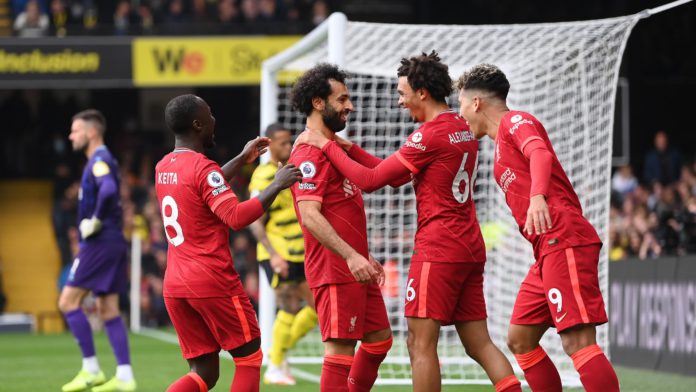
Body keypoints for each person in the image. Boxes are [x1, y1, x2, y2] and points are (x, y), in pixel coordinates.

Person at [295, 52, 521, 392]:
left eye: (403, 93)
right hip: (470, 246)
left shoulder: (426, 136)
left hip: (438, 249)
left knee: (419, 344)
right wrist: (346, 148)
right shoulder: (462, 127)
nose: (400, 101)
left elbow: (373, 181)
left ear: (422, 93)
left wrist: (328, 146)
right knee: (479, 344)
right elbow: (395, 176)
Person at [456, 64, 619, 392]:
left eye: (459, 104)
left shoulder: (516, 121)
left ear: (476, 103)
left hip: (564, 238)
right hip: (546, 250)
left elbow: (540, 154)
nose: (460, 114)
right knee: (520, 339)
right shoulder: (499, 145)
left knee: (577, 341)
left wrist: (538, 197)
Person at [155, 94, 301, 392]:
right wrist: (276, 184)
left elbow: (201, 188)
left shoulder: (164, 166)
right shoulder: (203, 168)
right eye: (209, 113)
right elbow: (235, 217)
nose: (214, 119)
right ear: (198, 124)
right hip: (211, 280)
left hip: (175, 283)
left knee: (204, 371)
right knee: (249, 357)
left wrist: (241, 158)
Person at [288, 63, 393, 391]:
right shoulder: (309, 153)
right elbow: (310, 215)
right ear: (318, 103)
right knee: (339, 351)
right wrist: (350, 256)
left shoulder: (334, 149)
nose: (350, 106)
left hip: (356, 266)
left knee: (379, 341)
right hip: (335, 268)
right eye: (342, 99)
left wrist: (361, 257)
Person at [58, 109, 136, 392]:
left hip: (100, 242)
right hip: (113, 242)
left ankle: (91, 369)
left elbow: (108, 191)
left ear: (91, 132)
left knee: (67, 302)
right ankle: (125, 376)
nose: (71, 135)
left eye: (75, 130)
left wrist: (96, 220)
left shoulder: (100, 160)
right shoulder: (99, 160)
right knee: (108, 308)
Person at [248, 123, 317, 385]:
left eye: (290, 142)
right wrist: (273, 254)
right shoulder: (263, 176)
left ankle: (279, 354)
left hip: (301, 252)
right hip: (278, 253)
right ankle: (275, 365)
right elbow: (255, 220)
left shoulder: (294, 171)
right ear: (269, 146)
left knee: (317, 310)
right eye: (282, 143)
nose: (288, 147)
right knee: (288, 306)